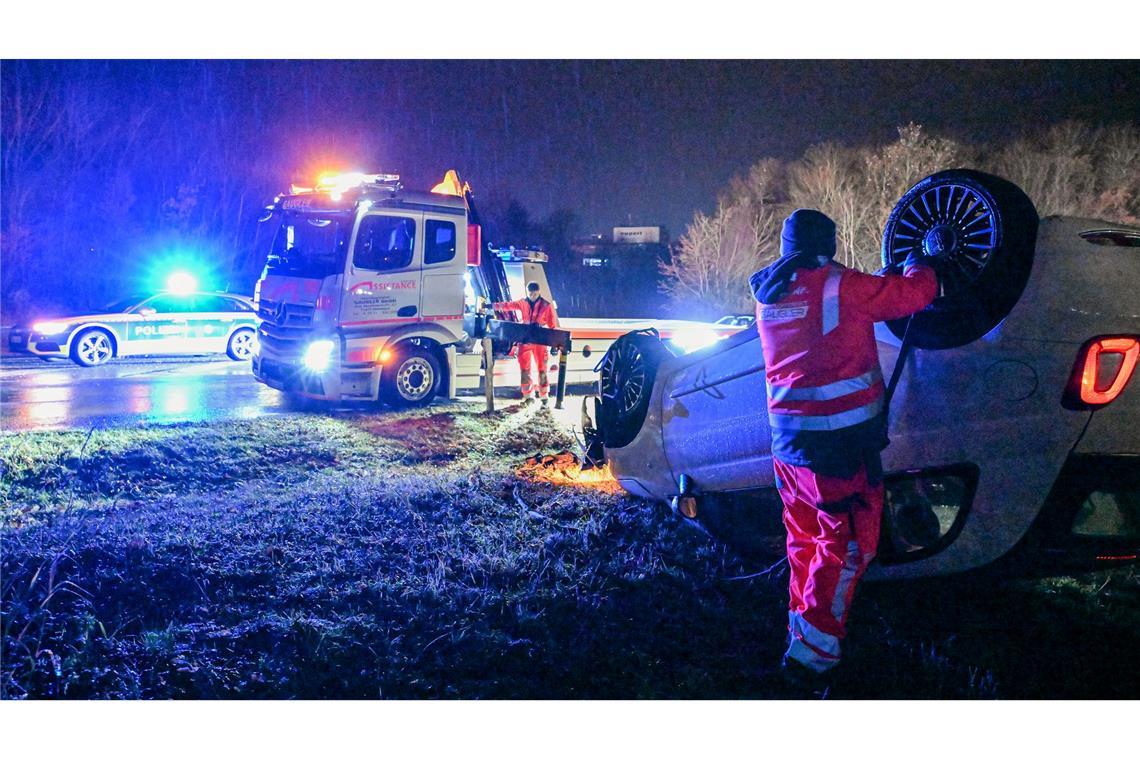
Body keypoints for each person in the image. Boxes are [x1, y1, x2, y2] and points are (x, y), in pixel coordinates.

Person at [750, 209, 939, 680]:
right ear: (829, 244)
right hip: (839, 448)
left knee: (805, 540)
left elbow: (831, 305)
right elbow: (918, 293)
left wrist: (880, 278)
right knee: (849, 546)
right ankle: (813, 661)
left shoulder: (770, 291)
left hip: (789, 448)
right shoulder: (843, 286)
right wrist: (922, 260)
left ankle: (802, 631)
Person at [494, 281, 560, 406]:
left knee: (542, 369)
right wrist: (492, 306)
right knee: (524, 369)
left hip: (540, 341)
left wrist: (554, 345)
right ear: (527, 292)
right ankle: (528, 396)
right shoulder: (523, 303)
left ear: (539, 292)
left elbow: (552, 326)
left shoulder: (546, 305)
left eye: (534, 294)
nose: (532, 296)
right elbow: (508, 305)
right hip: (525, 341)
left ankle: (544, 396)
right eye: (531, 294)